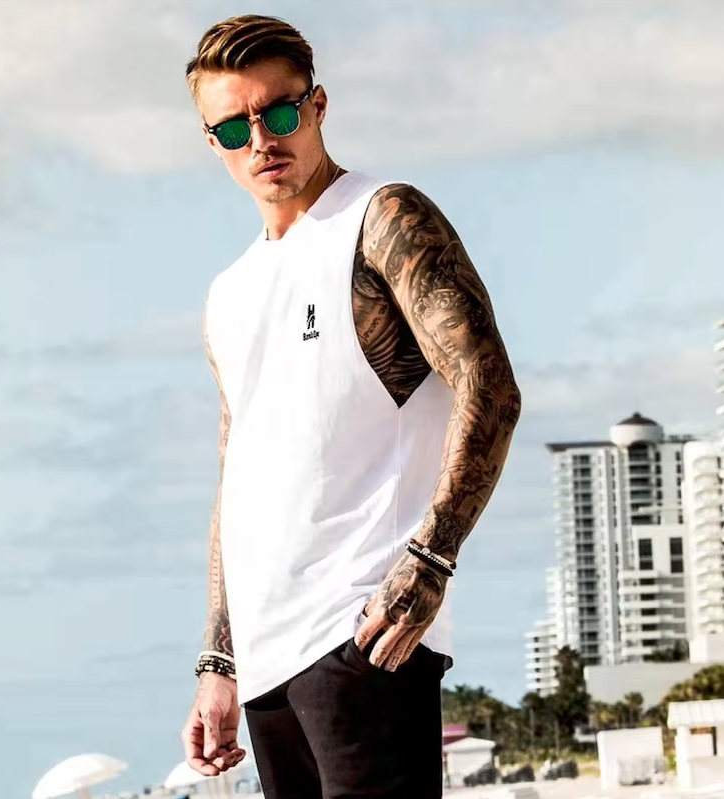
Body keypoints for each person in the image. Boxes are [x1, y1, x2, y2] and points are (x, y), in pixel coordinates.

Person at [179, 14, 522, 799]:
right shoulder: (228, 292)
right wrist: (220, 659)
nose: (260, 140)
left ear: (318, 104)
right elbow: (238, 478)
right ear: (212, 141)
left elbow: (488, 382)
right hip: (266, 658)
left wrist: (430, 558)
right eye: (232, 127)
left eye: (279, 112)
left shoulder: (380, 219)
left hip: (362, 629)